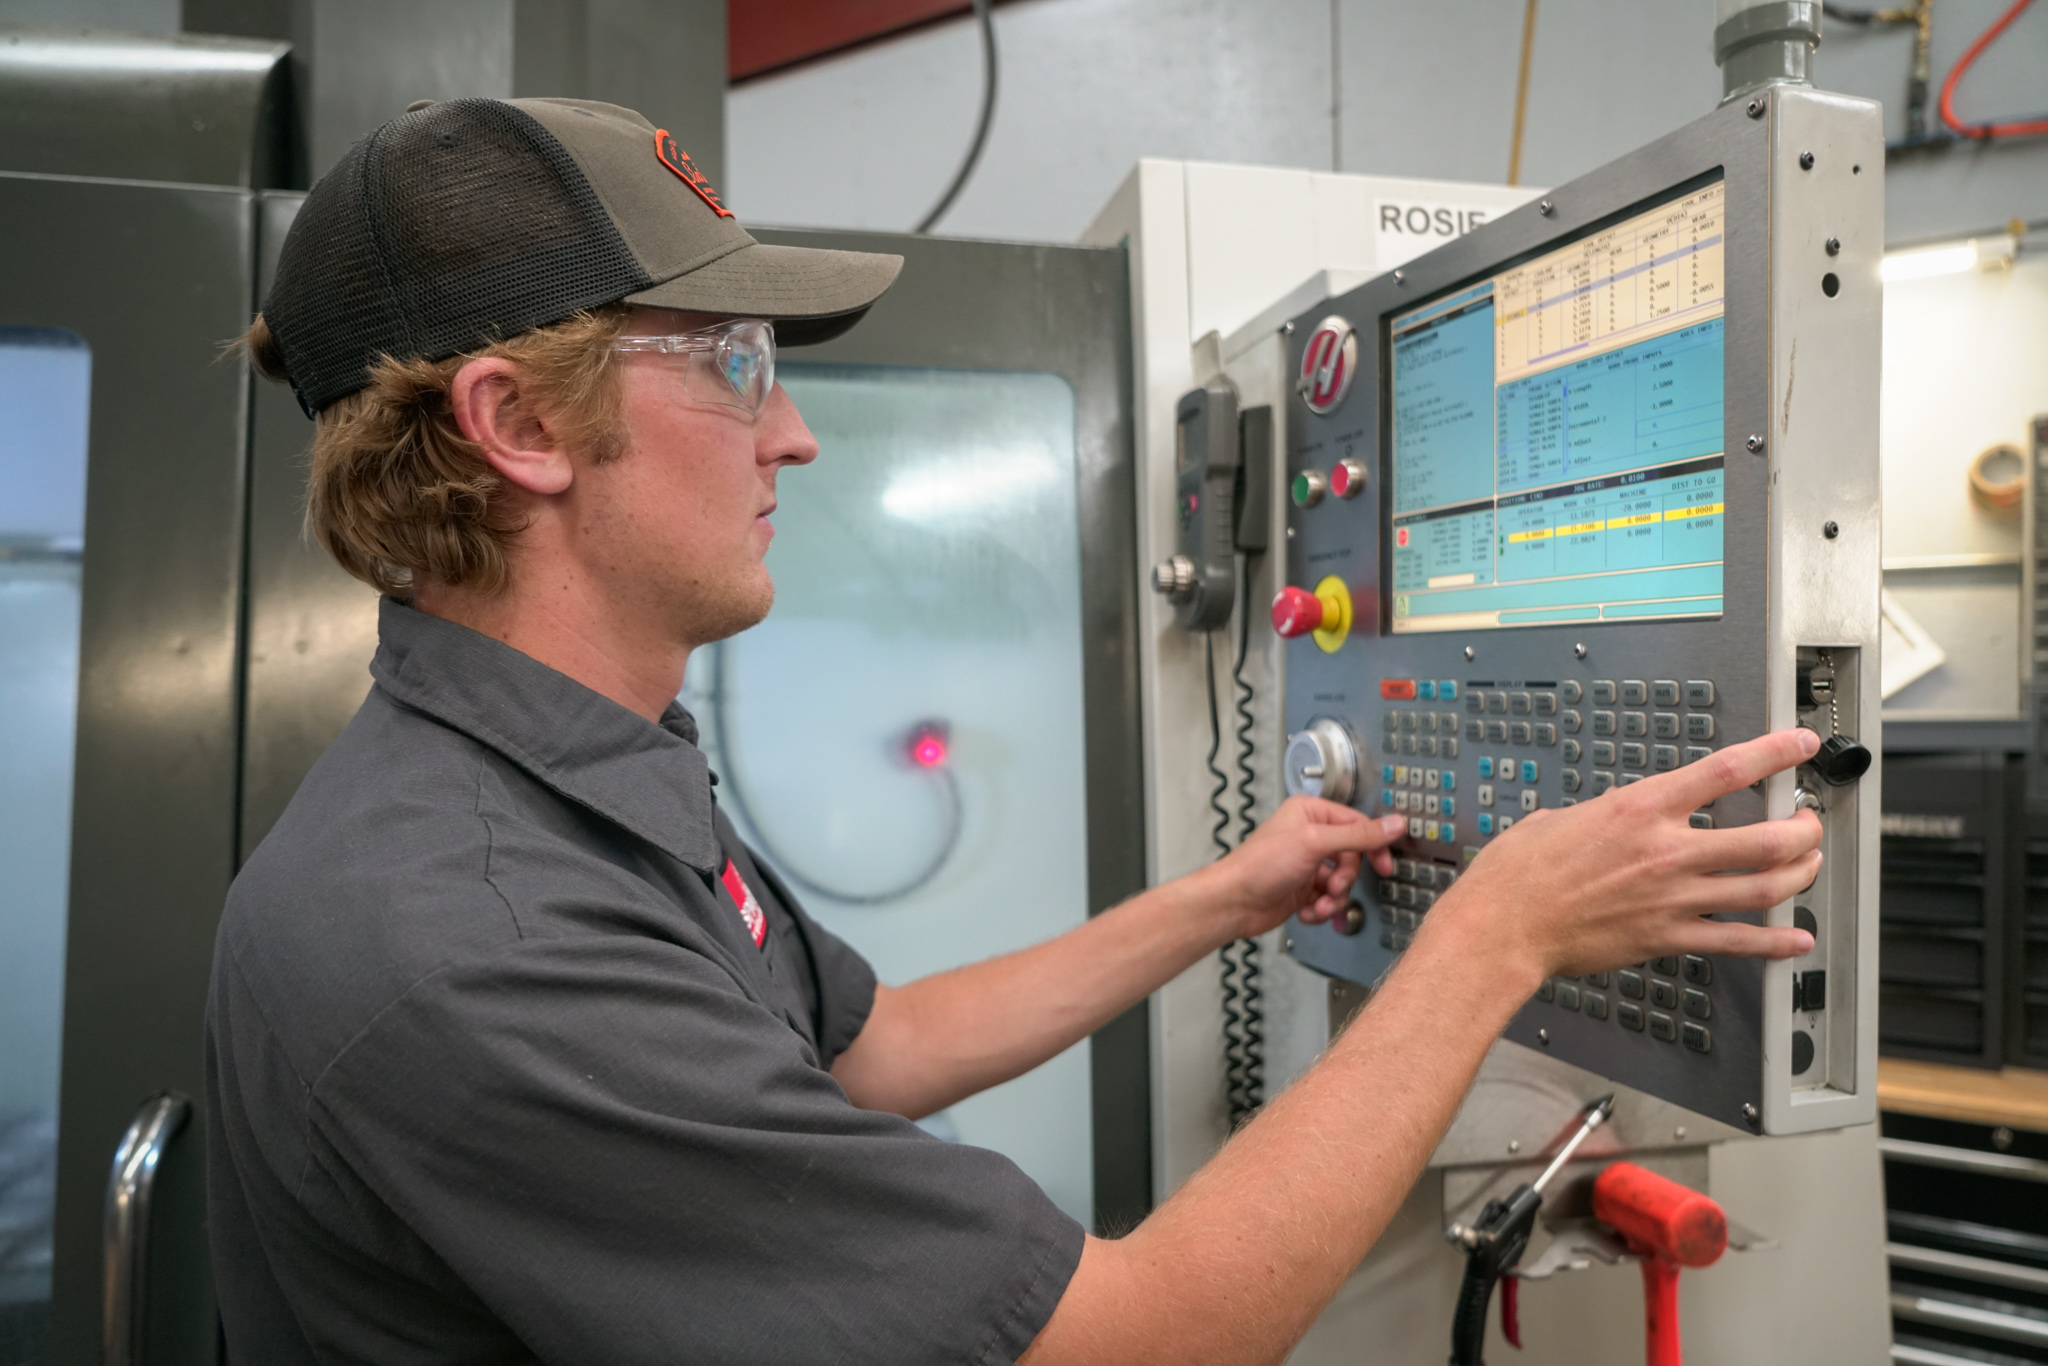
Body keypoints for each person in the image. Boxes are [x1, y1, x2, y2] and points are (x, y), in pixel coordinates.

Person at [210, 95, 1824, 1366]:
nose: (793, 433)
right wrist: (1495, 935)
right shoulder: (478, 937)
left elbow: (878, 1046)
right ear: (516, 424)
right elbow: (1148, 1339)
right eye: (736, 363)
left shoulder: (573, 774)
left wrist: (1227, 897)